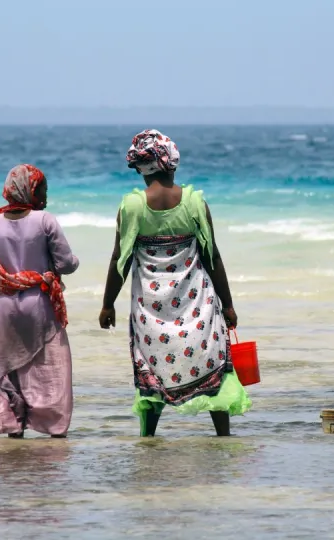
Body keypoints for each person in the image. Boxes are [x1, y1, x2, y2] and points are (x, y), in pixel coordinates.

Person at [99, 129, 251, 437]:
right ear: (172, 164)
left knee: (152, 371)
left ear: (141, 168)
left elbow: (121, 260)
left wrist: (107, 304)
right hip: (198, 305)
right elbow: (213, 256)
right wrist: (229, 304)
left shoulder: (132, 207)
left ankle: (149, 439)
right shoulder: (195, 203)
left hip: (150, 311)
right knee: (212, 366)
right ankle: (223, 436)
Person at [0, 164, 80, 438]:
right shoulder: (45, 220)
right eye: (41, 189)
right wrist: (68, 265)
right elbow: (66, 263)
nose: (45, 195)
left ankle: (14, 427)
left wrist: (9, 275)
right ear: (29, 190)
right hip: (41, 304)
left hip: (6, 306)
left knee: (10, 366)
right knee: (52, 366)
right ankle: (55, 428)